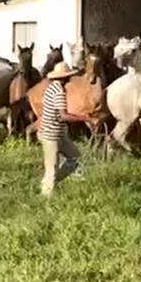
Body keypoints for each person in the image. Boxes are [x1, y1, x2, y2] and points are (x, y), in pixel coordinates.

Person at [38, 61, 87, 196]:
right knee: (51, 169)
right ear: (65, 77)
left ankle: (51, 182)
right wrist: (85, 118)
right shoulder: (59, 91)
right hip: (51, 134)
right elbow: (63, 116)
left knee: (74, 157)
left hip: (57, 133)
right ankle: (46, 196)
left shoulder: (52, 87)